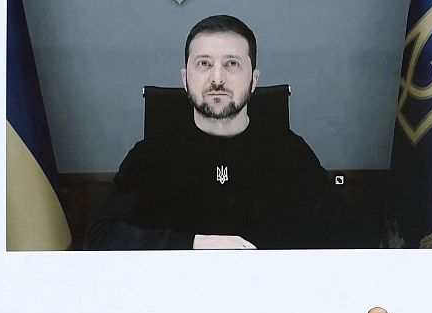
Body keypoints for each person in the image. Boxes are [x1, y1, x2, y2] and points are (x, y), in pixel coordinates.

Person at [84, 15, 345, 250]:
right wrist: (194, 244)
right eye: (204, 63)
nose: (217, 78)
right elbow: (99, 239)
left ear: (253, 80)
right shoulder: (151, 155)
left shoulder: (290, 152)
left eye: (232, 64)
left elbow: (343, 234)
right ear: (184, 79)